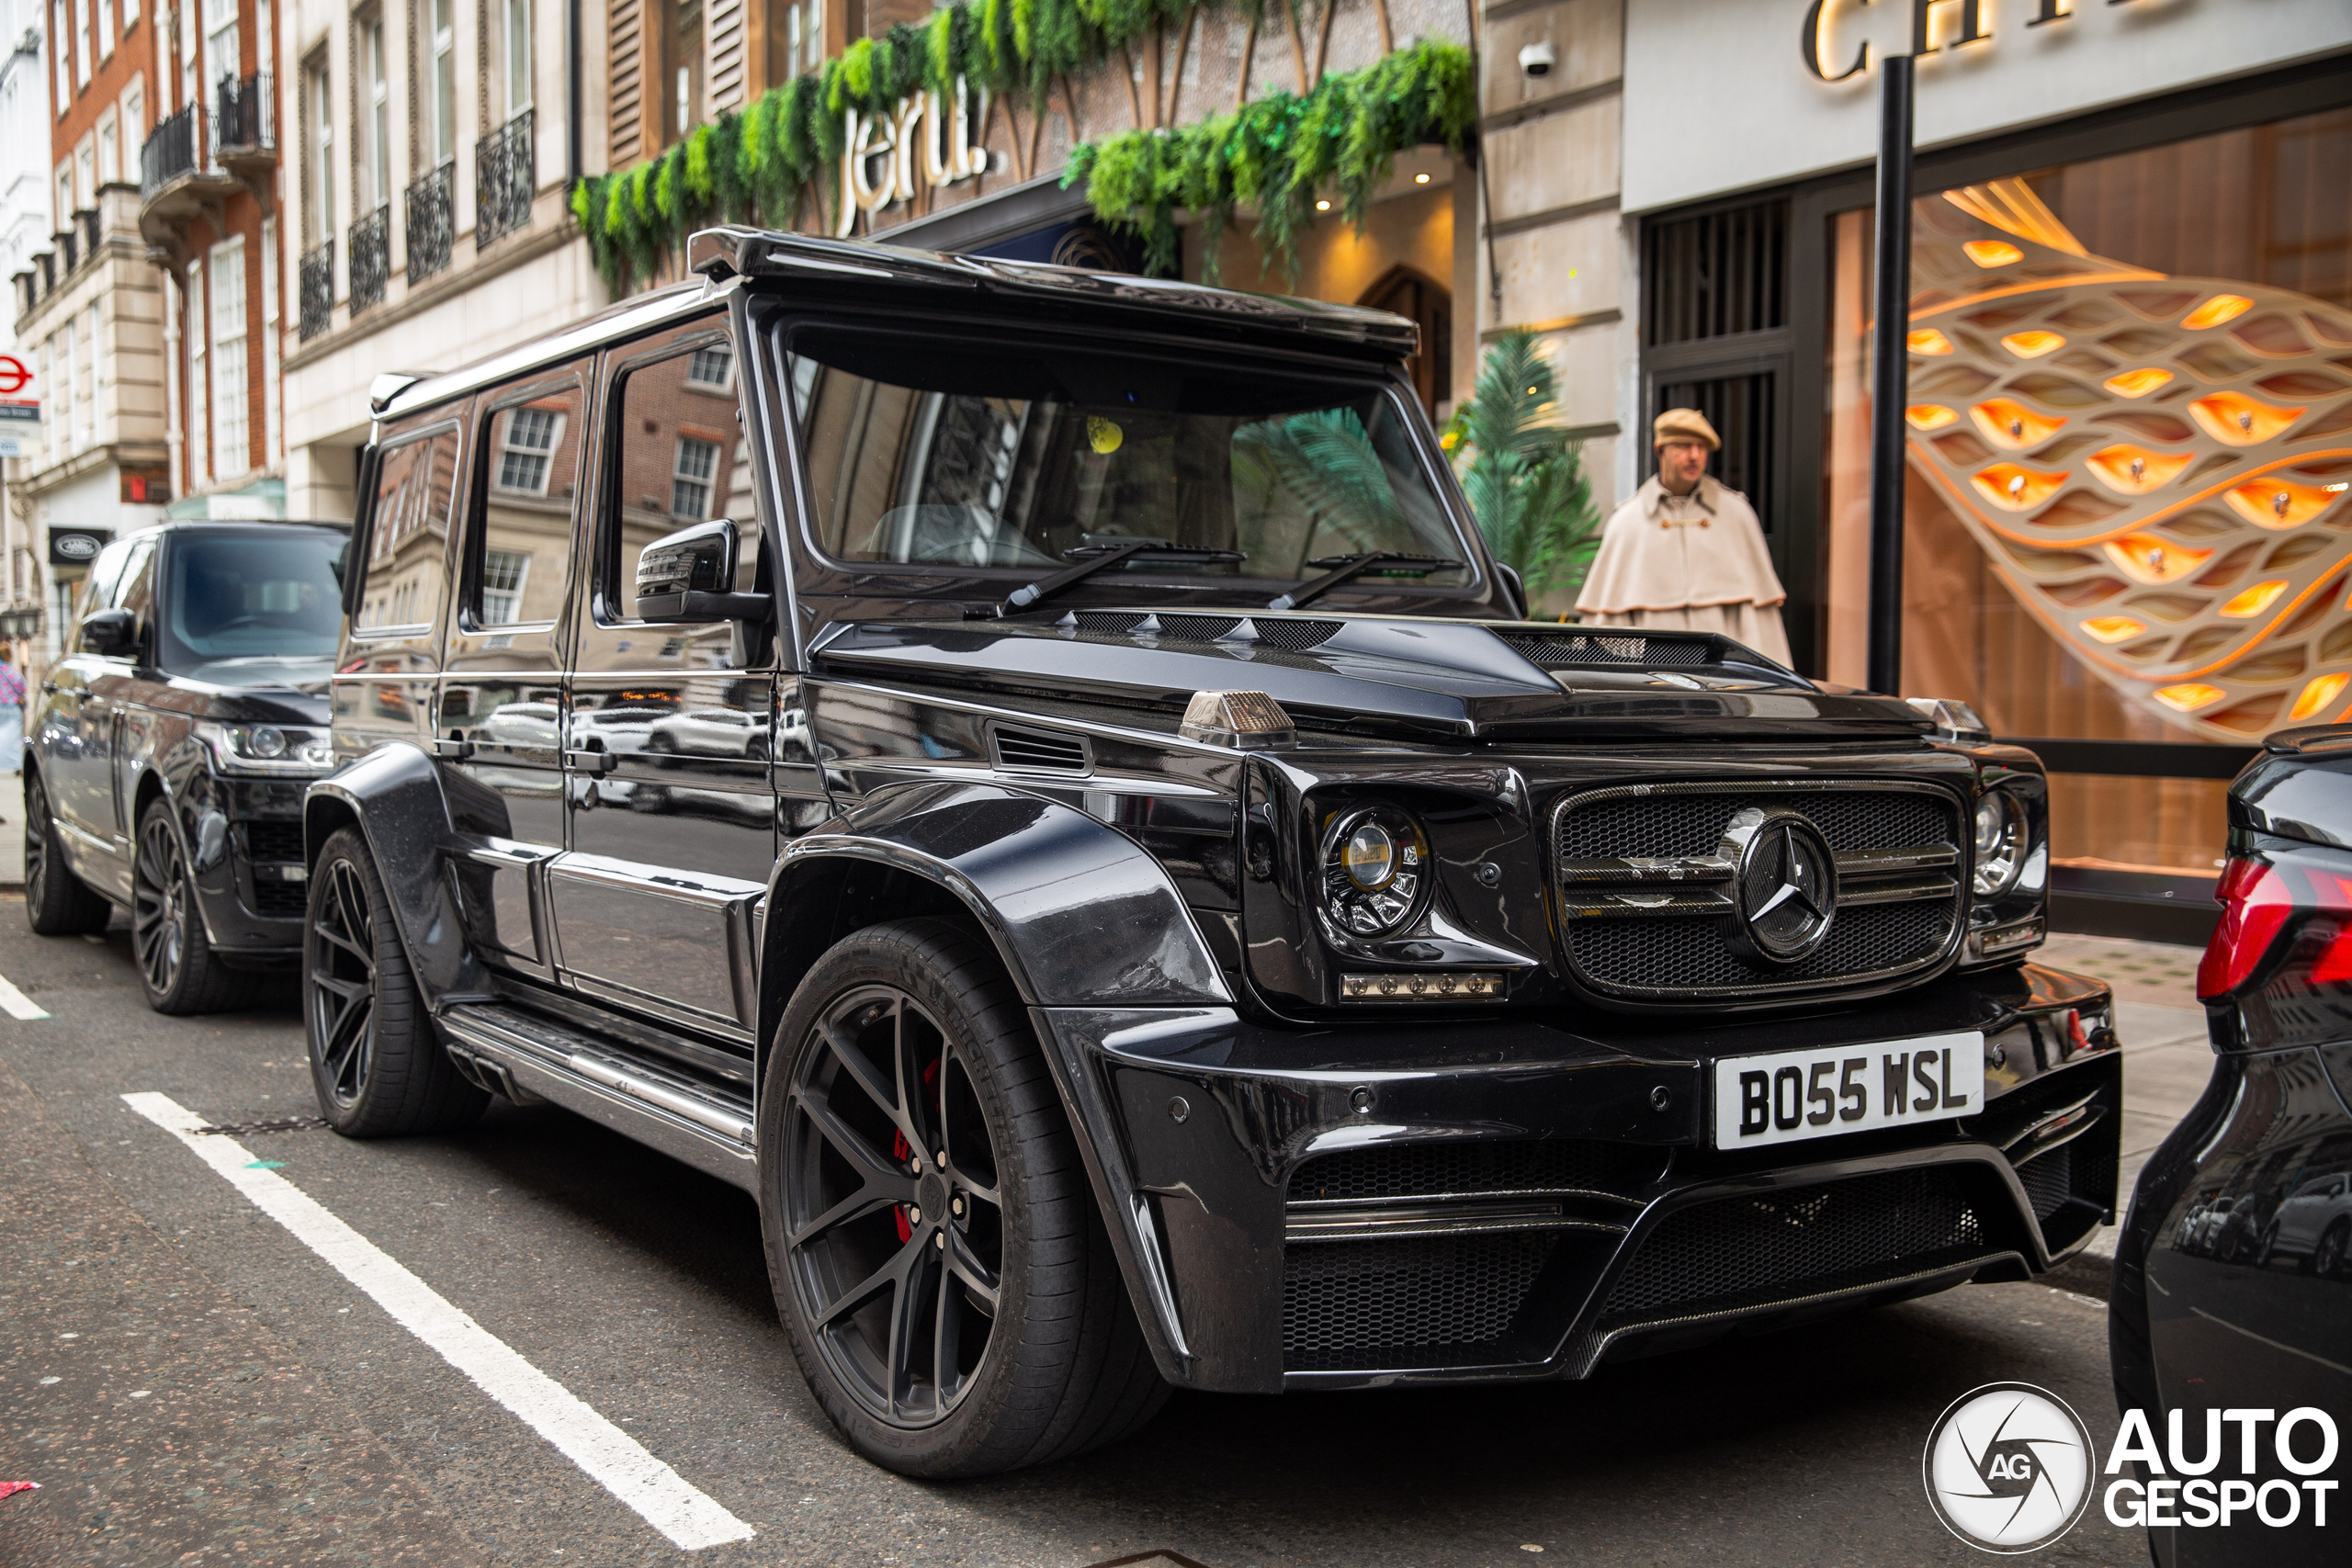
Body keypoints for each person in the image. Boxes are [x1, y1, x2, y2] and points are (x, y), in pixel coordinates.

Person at [1573, 408, 1792, 665]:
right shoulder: (1627, 521)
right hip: (1654, 678)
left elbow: (1759, 623)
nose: (1695, 456)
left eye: (1701, 447)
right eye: (1684, 446)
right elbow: (1608, 623)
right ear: (1660, 449)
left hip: (1727, 677)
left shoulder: (1737, 514)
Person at [0, 640, 22, 813]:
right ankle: (16, 765)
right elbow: (22, 687)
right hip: (12, 708)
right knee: (14, 737)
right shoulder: (11, 671)